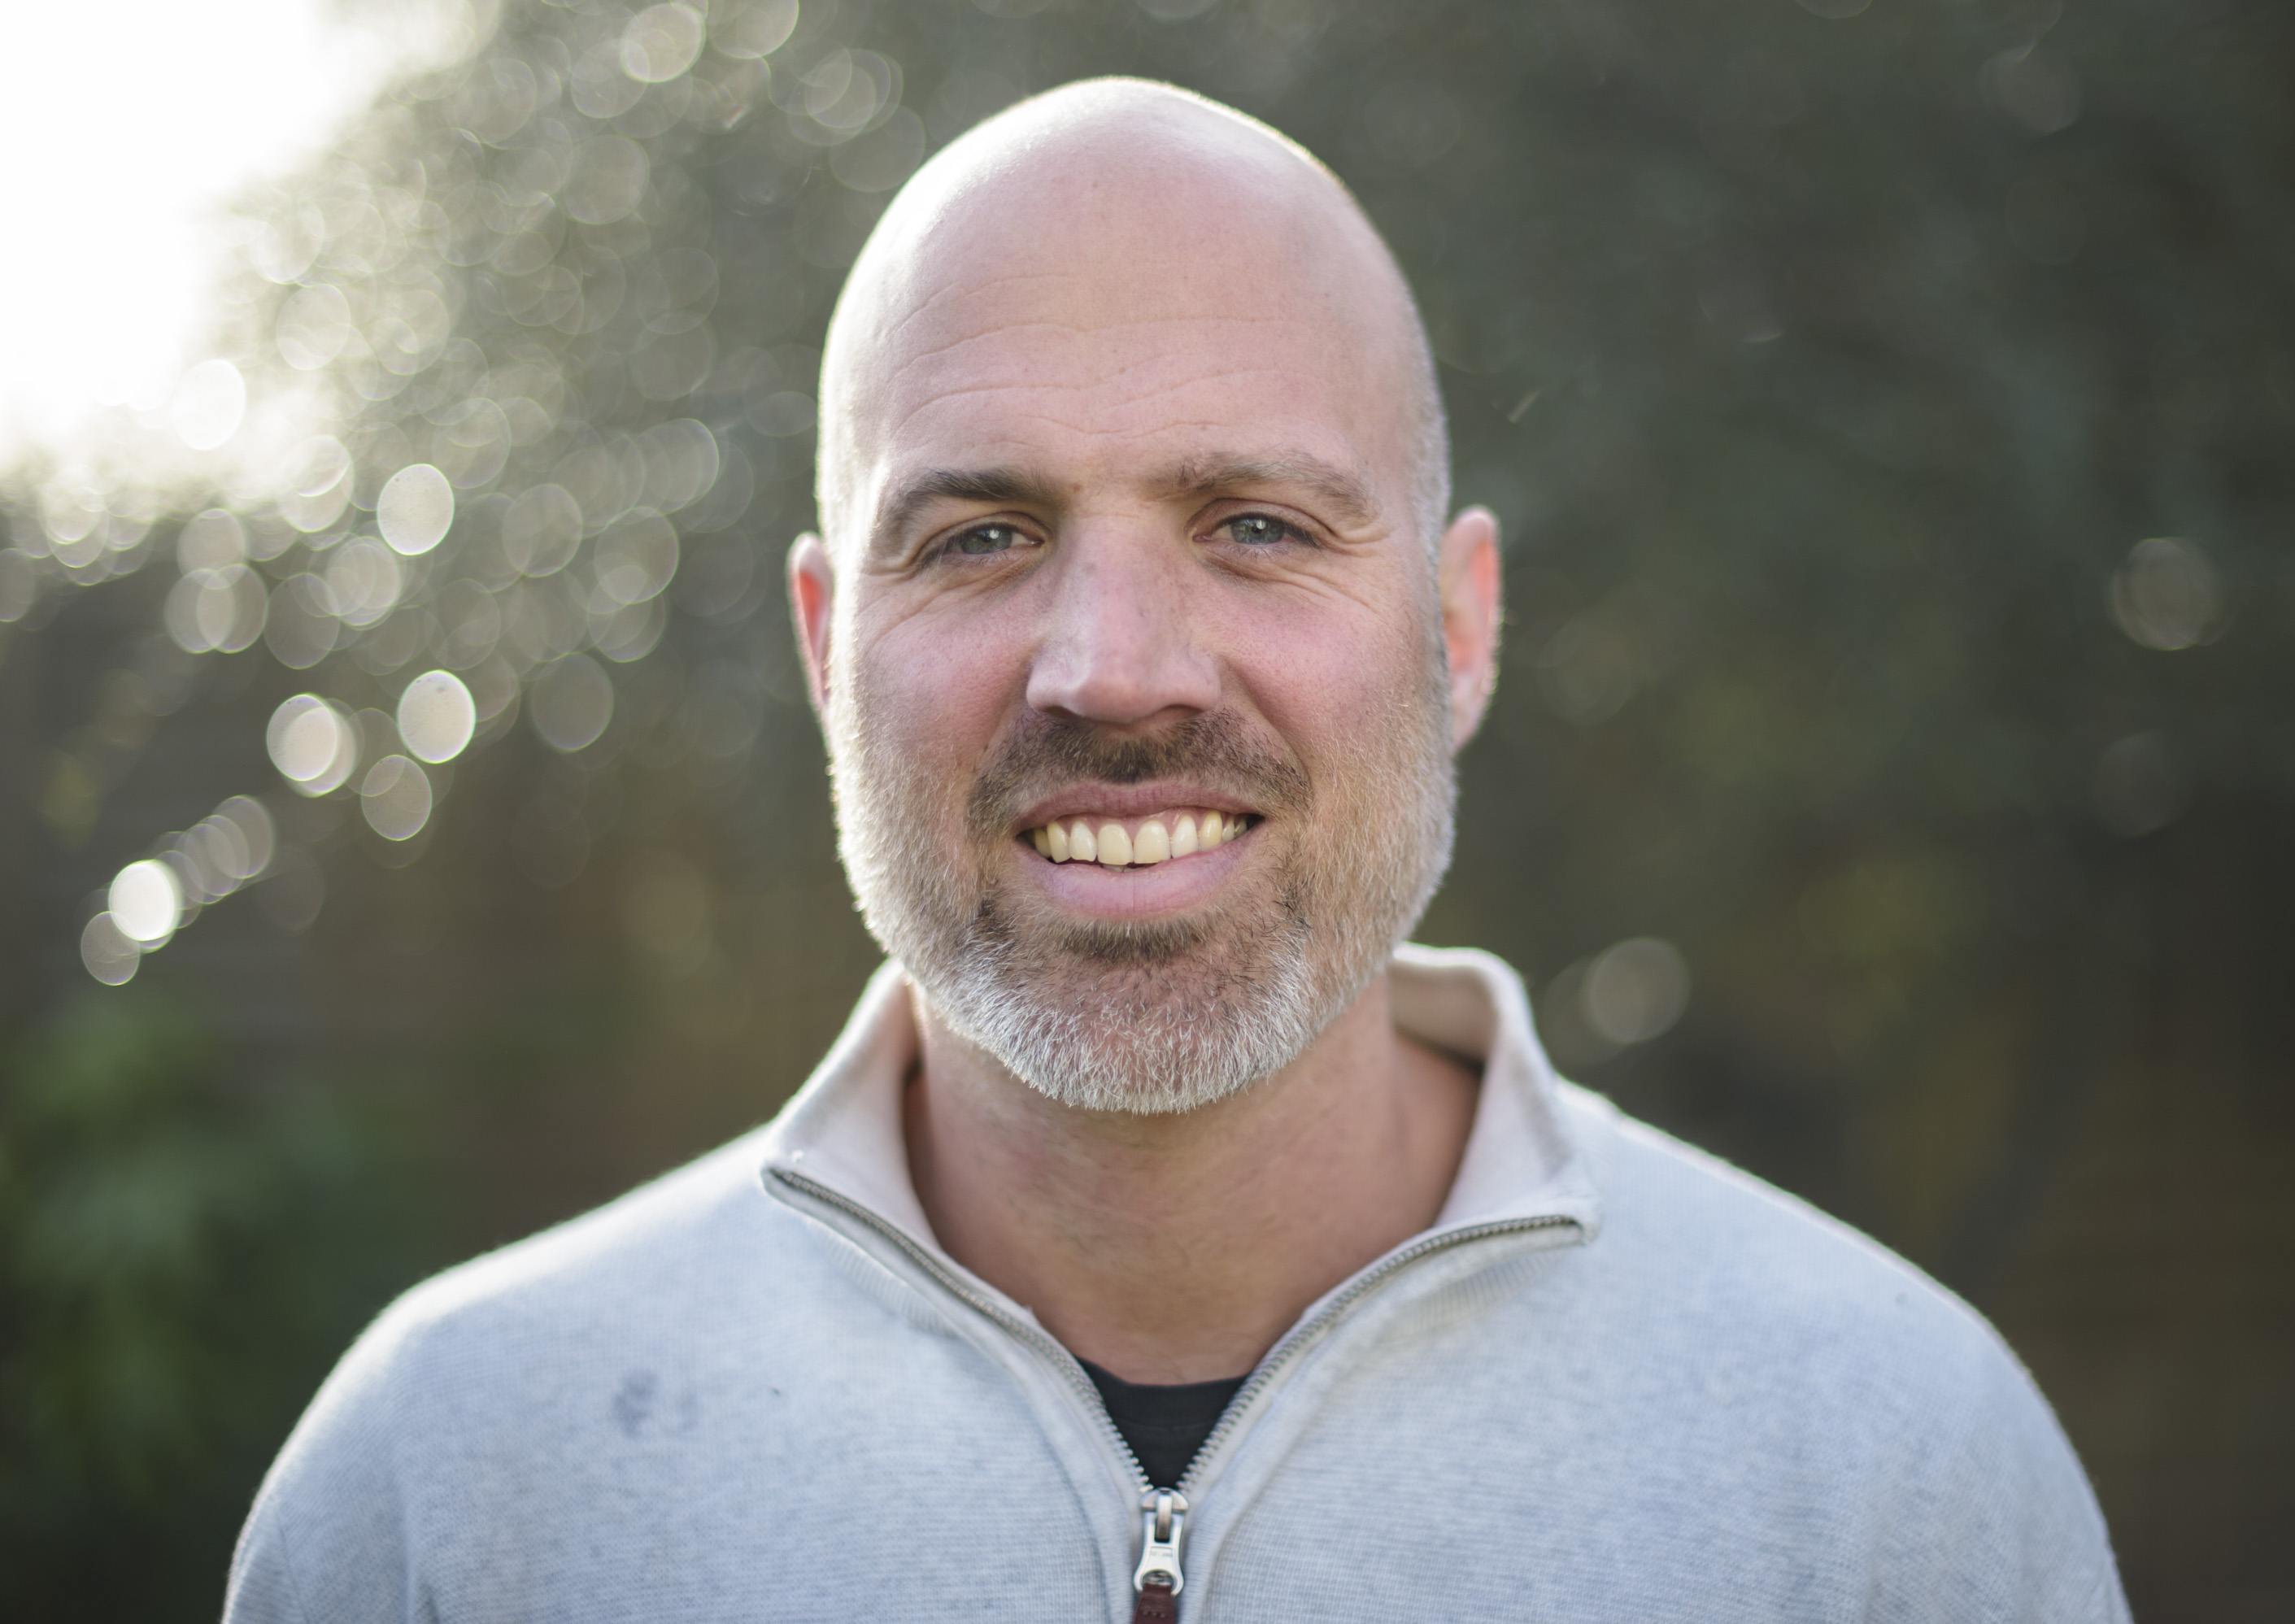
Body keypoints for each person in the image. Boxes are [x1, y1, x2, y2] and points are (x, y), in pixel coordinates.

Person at [226, 78, 2128, 1623]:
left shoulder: (1894, 1470)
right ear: (825, 649)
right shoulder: (452, 1486)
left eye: (1259, 526)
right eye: (978, 536)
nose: (1113, 669)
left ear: (1460, 631)